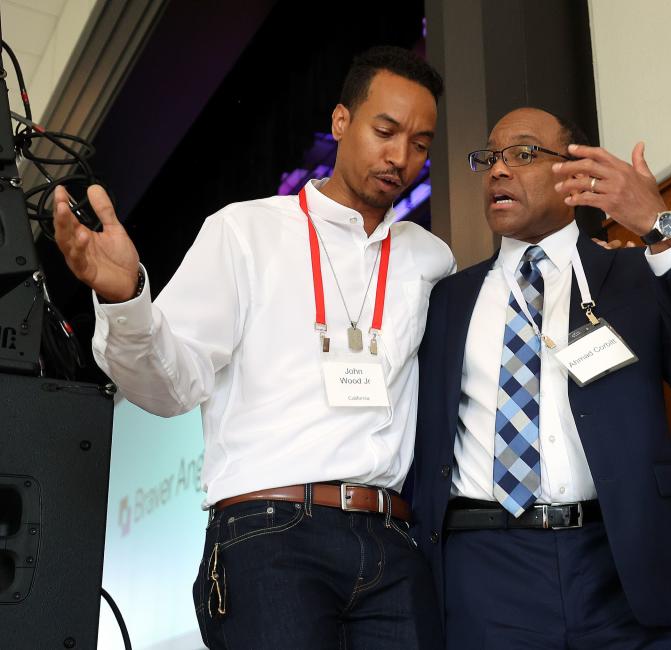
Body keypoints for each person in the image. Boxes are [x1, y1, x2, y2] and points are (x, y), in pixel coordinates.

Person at [53, 46, 453, 649]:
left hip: (393, 539)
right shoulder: (245, 231)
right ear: (341, 121)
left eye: (420, 143)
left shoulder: (429, 258)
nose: (400, 157)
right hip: (270, 534)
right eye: (385, 130)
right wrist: (127, 298)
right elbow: (171, 387)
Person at [410, 107, 671, 649]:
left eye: (521, 154)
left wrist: (659, 228)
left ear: (573, 174)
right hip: (487, 570)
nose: (497, 170)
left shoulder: (633, 276)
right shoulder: (447, 300)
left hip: (622, 562)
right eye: (489, 158)